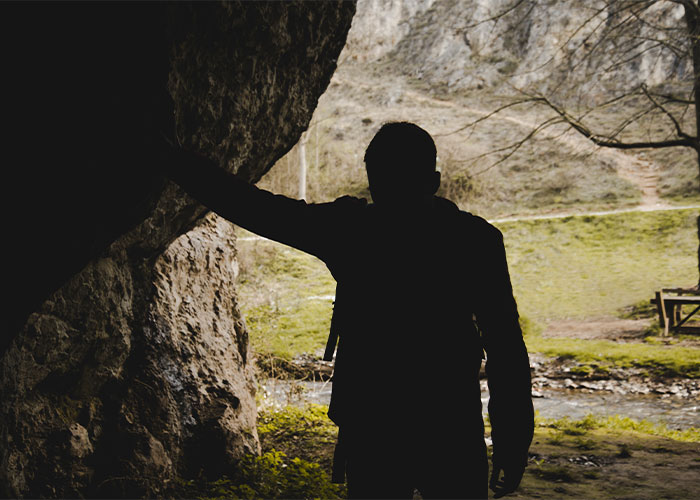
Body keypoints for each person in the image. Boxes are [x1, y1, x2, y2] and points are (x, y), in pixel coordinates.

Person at [160, 122, 534, 499]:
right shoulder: (477, 240)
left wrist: (174, 159)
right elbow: (505, 348)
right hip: (450, 424)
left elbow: (255, 208)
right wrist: (513, 440)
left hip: (373, 428)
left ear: (371, 182)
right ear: (434, 181)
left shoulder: (351, 230)